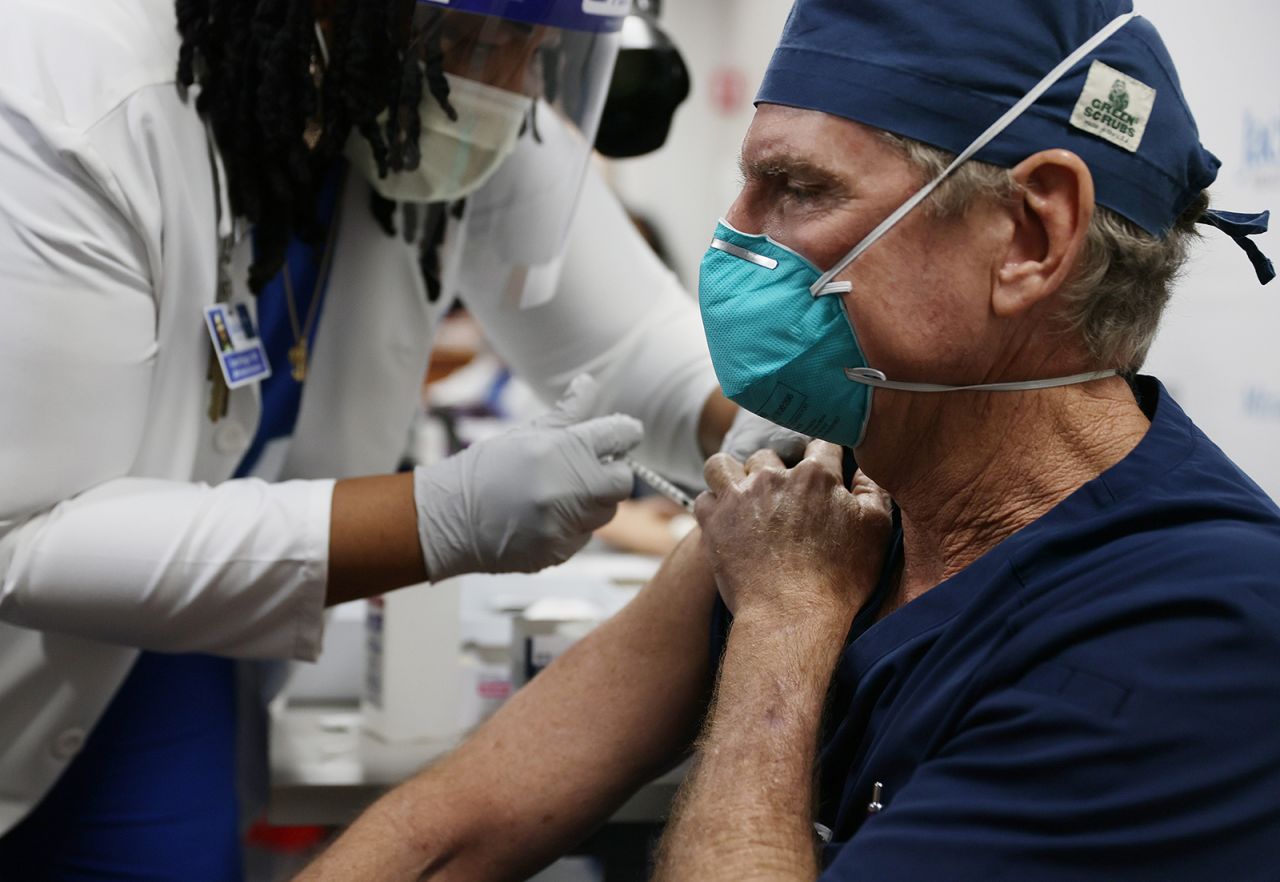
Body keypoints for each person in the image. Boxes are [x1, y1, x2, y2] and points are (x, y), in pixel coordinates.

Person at [296, 1, 1280, 880]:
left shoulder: (1197, 632)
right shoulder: (831, 488)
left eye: (795, 188)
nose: (732, 235)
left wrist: (781, 626)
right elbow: (458, 828)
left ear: (1029, 237)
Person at [0, 0, 797, 876]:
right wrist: (440, 518)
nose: (510, 84)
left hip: (175, 665)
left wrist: (771, 420)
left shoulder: (436, 92)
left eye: (542, 50)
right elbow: (28, 535)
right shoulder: (74, 101)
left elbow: (634, 351)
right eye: (485, 43)